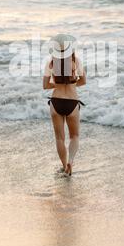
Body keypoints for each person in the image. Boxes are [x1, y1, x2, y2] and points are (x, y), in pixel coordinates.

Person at [43, 34, 86, 176]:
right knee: (74, 136)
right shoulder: (76, 62)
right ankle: (70, 162)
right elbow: (83, 81)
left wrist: (57, 84)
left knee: (59, 138)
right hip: (72, 102)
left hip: (56, 102)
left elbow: (45, 86)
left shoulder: (51, 63)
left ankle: (63, 166)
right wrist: (72, 83)